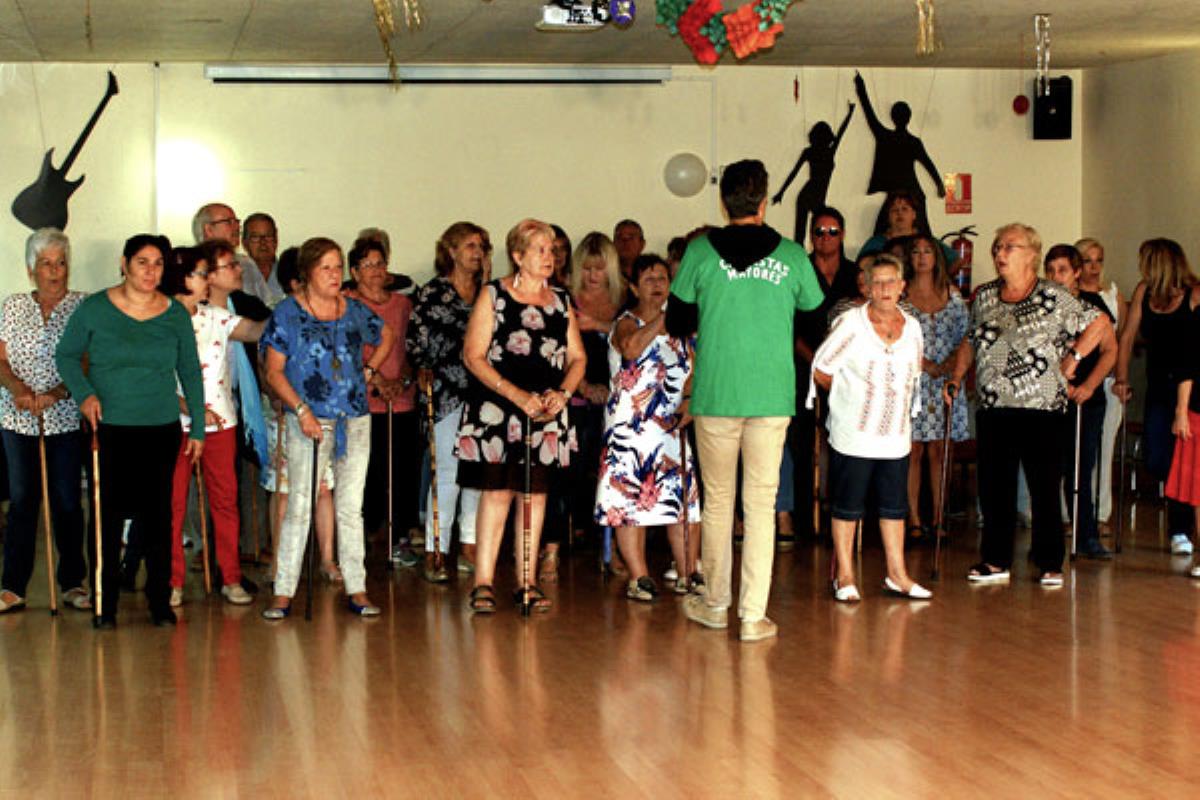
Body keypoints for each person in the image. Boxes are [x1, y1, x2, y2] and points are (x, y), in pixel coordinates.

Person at [667, 159, 824, 642]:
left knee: (717, 504)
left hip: (716, 392)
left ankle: (715, 604)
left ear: (724, 200)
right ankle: (753, 616)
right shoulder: (794, 256)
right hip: (772, 394)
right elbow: (817, 321)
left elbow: (675, 321)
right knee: (760, 505)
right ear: (764, 200)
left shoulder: (698, 251)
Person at [56, 234, 206, 629]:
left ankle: (160, 601)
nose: (150, 271)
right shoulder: (94, 309)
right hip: (108, 427)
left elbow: (189, 370)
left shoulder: (174, 313)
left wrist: (199, 430)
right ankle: (104, 603)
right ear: (124, 264)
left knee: (158, 517)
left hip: (160, 427)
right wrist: (84, 395)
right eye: (142, 262)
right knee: (106, 516)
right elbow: (67, 356)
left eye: (157, 263)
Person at [945, 224, 1108, 586]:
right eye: (997, 246)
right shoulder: (985, 296)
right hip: (993, 403)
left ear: (1032, 253)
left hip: (1042, 406)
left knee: (1044, 484)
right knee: (994, 485)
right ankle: (995, 559)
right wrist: (957, 376)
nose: (1000, 253)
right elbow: (971, 341)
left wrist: (1075, 358)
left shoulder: (1054, 295)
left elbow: (1098, 323)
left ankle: (1050, 561)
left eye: (1009, 247)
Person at [260, 237, 395, 619]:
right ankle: (284, 590)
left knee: (351, 507)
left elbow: (385, 334)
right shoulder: (287, 313)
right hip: (309, 419)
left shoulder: (352, 309)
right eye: (326, 268)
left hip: (353, 415)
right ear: (307, 274)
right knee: (300, 504)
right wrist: (300, 410)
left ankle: (358, 587)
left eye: (338, 267)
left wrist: (369, 371)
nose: (335, 275)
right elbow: (274, 371)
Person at [458, 218, 585, 614]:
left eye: (552, 250)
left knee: (534, 496)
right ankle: (483, 582)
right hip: (499, 408)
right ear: (518, 255)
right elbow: (472, 356)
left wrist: (563, 394)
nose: (549, 257)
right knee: (497, 493)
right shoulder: (493, 295)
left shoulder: (561, 301)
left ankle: (526, 581)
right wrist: (517, 396)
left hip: (545, 412)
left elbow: (578, 357)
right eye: (540, 250)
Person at [810, 253, 930, 600]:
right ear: (866, 286)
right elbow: (822, 368)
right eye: (876, 282)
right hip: (854, 434)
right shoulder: (850, 323)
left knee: (894, 506)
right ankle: (845, 575)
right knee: (848, 505)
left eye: (891, 281)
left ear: (902, 286)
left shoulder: (913, 327)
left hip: (895, 434)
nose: (884, 288)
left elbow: (914, 372)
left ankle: (897, 573)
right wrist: (852, 398)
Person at [162, 246, 265, 607]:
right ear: (183, 277)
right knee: (172, 504)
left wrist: (293, 309)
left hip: (221, 421)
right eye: (201, 273)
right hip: (172, 423)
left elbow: (254, 331)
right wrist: (188, 406)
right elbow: (155, 376)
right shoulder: (159, 318)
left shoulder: (216, 316)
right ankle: (171, 581)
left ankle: (231, 577)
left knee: (225, 500)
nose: (207, 280)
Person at [595, 254, 700, 600]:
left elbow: (694, 367)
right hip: (631, 426)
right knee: (630, 502)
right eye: (649, 279)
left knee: (682, 502)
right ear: (633, 287)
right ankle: (639, 576)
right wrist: (662, 319)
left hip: (670, 424)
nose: (657, 284)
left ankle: (689, 572)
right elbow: (631, 349)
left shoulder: (683, 326)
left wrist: (688, 401)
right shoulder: (624, 322)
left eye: (662, 278)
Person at [0, 229, 91, 614]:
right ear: (30, 270)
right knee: (22, 500)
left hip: (66, 417)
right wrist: (20, 389)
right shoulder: (13, 305)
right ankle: (13, 586)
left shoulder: (83, 307)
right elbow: (0, 359)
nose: (55, 271)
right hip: (17, 416)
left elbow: (87, 360)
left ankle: (73, 582)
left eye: (61, 262)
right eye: (45, 264)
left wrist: (57, 392)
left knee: (68, 501)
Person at [408, 222, 489, 579]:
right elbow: (416, 340)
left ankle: (469, 545)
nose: (476, 252)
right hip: (445, 391)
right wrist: (424, 368)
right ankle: (435, 547)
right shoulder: (433, 293)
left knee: (477, 472)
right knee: (447, 471)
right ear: (452, 250)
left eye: (481, 246)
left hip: (484, 390)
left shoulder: (491, 293)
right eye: (469, 245)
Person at [1115, 238, 1200, 556]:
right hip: (1157, 384)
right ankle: (1179, 515)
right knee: (1157, 456)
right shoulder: (1144, 292)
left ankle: (1181, 527)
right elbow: (1127, 337)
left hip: (1189, 387)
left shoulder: (1193, 293)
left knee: (1187, 458)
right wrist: (1121, 377)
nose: (1142, 268)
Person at [343, 239, 420, 571]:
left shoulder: (403, 304)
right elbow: (347, 353)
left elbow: (411, 347)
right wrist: (376, 383)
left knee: (403, 473)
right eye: (368, 265)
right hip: (365, 401)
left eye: (380, 263)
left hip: (401, 399)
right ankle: (364, 536)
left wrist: (400, 381)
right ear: (355, 271)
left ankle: (399, 536)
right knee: (368, 474)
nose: (376, 271)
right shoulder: (348, 304)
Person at [790, 207, 862, 546]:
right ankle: (806, 519)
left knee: (846, 444)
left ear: (843, 235)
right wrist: (817, 365)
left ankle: (844, 514)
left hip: (850, 375)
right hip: (805, 368)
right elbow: (787, 327)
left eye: (833, 231)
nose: (825, 238)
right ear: (810, 236)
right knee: (804, 445)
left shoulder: (855, 274)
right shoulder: (798, 271)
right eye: (819, 231)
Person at [553, 231, 621, 577]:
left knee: (609, 471)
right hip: (576, 396)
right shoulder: (566, 300)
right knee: (573, 471)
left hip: (616, 399)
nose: (594, 276)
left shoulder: (622, 302)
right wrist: (583, 386)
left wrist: (600, 325)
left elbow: (631, 339)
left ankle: (609, 542)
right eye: (588, 269)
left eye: (600, 269)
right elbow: (558, 351)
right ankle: (568, 533)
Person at [1044, 244, 1117, 559]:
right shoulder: (1042, 305)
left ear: (1076, 272)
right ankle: (1047, 539)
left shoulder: (1093, 304)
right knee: (1050, 467)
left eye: (1062, 270)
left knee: (1081, 468)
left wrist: (1088, 385)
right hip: (1051, 396)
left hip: (1088, 397)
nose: (1055, 277)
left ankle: (1086, 535)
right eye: (1050, 270)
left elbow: (1109, 350)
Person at [900, 233, 968, 542]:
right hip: (913, 381)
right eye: (916, 251)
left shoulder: (952, 296)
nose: (922, 257)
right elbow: (895, 338)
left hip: (946, 381)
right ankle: (913, 517)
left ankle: (939, 517)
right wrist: (926, 365)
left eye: (928, 251)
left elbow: (967, 337)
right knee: (912, 451)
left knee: (940, 450)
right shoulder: (900, 297)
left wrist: (949, 365)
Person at [1075, 237, 1126, 525]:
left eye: (1099, 260)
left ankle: (1100, 511)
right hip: (1080, 379)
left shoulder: (1112, 294)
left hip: (1107, 380)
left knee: (1104, 449)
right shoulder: (1071, 297)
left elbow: (1120, 341)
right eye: (1087, 260)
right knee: (1077, 452)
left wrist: (1120, 378)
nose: (1094, 267)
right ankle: (1071, 510)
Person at [770, 102, 855, 240]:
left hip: (817, 197)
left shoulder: (826, 151)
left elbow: (841, 132)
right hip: (808, 196)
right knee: (804, 235)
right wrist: (781, 192)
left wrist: (850, 114)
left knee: (819, 233)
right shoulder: (819, 152)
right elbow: (794, 173)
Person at [242, 212, 287, 307]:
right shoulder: (236, 276)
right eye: (255, 237)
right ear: (244, 243)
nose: (263, 242)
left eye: (268, 236)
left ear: (276, 240)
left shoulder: (290, 272)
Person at [613, 219, 646, 284]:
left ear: (642, 244)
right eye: (620, 237)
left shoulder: (651, 274)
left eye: (631, 237)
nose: (625, 241)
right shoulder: (605, 273)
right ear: (613, 244)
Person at [550, 224, 573, 289]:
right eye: (553, 249)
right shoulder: (541, 284)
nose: (558, 254)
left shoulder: (575, 280)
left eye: (562, 248)